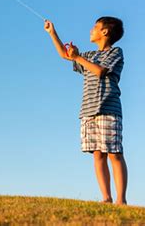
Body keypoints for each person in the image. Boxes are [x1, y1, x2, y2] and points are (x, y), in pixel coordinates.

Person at [44, 17, 128, 205]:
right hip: (88, 110)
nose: (91, 30)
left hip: (108, 109)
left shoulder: (115, 52)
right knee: (98, 154)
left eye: (95, 27)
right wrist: (52, 33)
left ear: (105, 32)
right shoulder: (89, 55)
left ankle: (121, 200)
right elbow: (65, 55)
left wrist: (78, 57)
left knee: (115, 153)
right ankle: (106, 197)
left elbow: (100, 71)